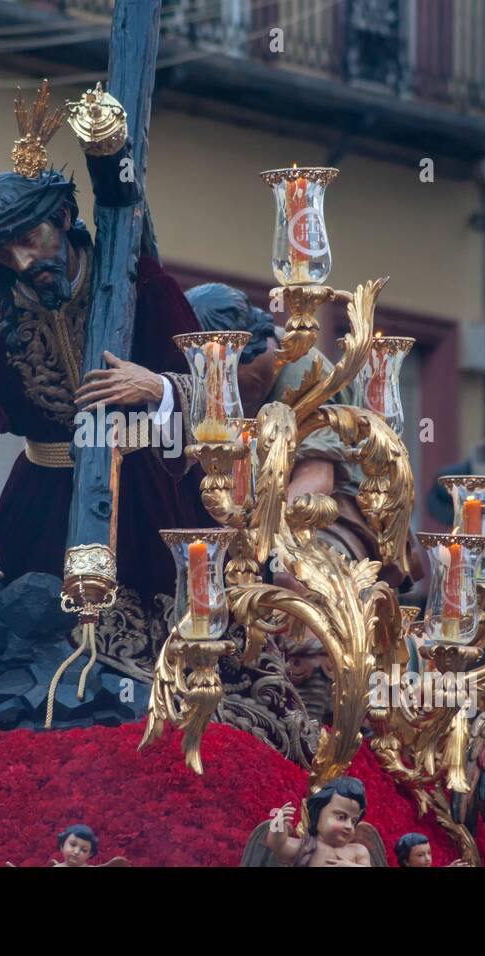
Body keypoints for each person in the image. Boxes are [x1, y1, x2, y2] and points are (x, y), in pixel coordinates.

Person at [0, 85, 316, 767]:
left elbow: (221, 401)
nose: (26, 263)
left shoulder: (140, 287)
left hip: (150, 501)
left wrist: (159, 387)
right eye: (6, 255)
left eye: (30, 240)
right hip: (41, 508)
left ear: (61, 219)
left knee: (196, 677)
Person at [186, 283, 425, 721]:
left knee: (293, 574)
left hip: (332, 517)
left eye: (239, 376)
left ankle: (322, 687)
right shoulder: (211, 381)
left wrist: (262, 537)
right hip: (250, 517)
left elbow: (317, 477)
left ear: (259, 346)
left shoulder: (301, 368)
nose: (238, 394)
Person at [265, 776, 372, 867]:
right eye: (341, 817)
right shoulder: (306, 847)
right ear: (318, 814)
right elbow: (278, 846)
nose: (349, 826)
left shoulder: (358, 852)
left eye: (353, 821)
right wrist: (278, 826)